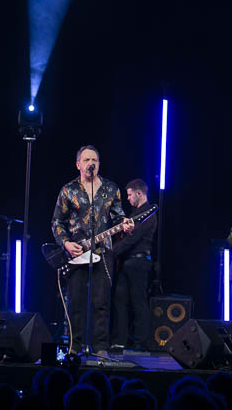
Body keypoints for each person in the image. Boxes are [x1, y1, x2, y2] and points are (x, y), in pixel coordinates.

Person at [51, 145, 134, 356]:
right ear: (78, 164)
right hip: (77, 252)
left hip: (103, 251)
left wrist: (125, 224)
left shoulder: (110, 189)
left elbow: (117, 216)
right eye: (87, 160)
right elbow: (57, 223)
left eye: (95, 160)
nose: (91, 164)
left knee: (101, 302)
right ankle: (75, 346)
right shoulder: (68, 190)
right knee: (76, 302)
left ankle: (100, 347)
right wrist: (66, 244)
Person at [111, 178, 157, 351]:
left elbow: (132, 239)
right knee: (119, 300)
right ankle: (119, 341)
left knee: (138, 302)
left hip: (138, 262)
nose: (128, 198)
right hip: (126, 262)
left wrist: (109, 252)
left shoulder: (150, 213)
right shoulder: (133, 214)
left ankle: (142, 342)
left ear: (139, 193)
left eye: (130, 195)